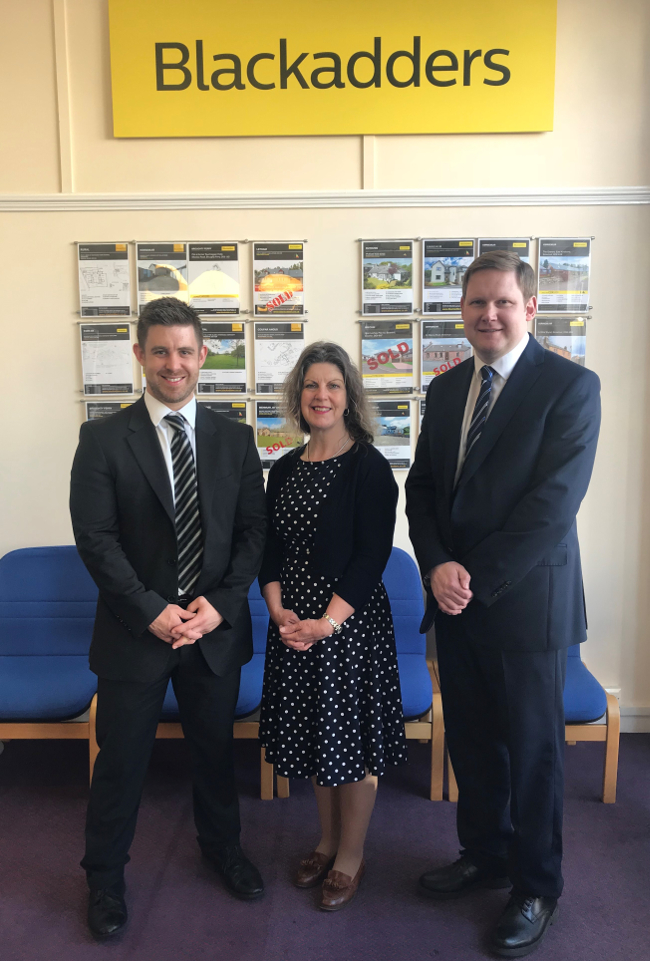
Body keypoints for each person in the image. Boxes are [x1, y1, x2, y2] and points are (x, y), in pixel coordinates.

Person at [405, 251, 600, 958]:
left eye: (502, 302)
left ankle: (536, 884)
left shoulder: (571, 387)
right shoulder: (449, 387)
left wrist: (471, 576)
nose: (488, 314)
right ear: (462, 311)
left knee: (534, 752)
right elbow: (422, 489)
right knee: (473, 743)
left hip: (525, 607)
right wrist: (436, 566)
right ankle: (484, 853)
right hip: (455, 603)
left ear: (530, 308)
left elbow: (552, 506)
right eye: (476, 303)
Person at [70, 297, 267, 939]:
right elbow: (95, 539)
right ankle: (103, 879)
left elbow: (252, 535)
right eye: (159, 350)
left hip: (213, 632)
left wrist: (222, 605)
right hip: (136, 634)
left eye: (185, 350)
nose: (173, 363)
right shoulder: (102, 438)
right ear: (139, 355)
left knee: (215, 756)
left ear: (203, 355)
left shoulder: (235, 439)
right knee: (121, 761)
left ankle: (223, 851)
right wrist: (153, 612)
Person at [258, 341, 406, 911]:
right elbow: (270, 550)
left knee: (353, 748)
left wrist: (327, 622)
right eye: (312, 385)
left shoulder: (368, 466)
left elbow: (372, 557)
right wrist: (277, 609)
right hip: (294, 623)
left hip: (348, 625)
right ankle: (324, 841)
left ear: (349, 397)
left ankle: (350, 855)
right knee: (318, 740)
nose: (322, 395)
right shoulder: (286, 468)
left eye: (333, 385)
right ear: (299, 396)